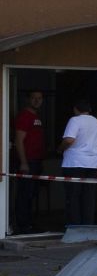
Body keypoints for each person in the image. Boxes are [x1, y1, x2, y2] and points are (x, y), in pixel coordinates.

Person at [58, 99, 97, 226]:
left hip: (75, 162)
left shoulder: (75, 120)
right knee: (89, 196)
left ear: (75, 109)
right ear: (89, 110)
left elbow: (69, 140)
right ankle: (87, 225)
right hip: (93, 163)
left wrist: (60, 149)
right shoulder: (96, 122)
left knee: (73, 196)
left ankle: (75, 226)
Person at [10, 89, 45, 234]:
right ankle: (23, 225)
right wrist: (23, 162)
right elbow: (19, 140)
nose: (37, 101)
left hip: (36, 160)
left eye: (39, 98)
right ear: (28, 99)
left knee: (32, 194)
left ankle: (29, 223)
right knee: (25, 194)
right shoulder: (25, 116)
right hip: (28, 161)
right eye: (33, 98)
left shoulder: (36, 116)